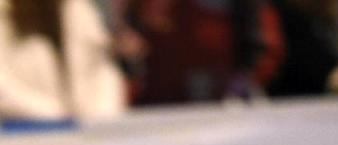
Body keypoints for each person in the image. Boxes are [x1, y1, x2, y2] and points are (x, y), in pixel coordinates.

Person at [0, 0, 129, 122]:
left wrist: (100, 118)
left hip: (87, 144)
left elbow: (101, 68)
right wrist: (55, 116)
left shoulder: (77, 10)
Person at [115, 0, 284, 105]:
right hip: (156, 111)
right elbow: (129, 45)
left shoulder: (241, 5)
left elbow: (264, 46)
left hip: (221, 110)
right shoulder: (140, 5)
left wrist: (244, 80)